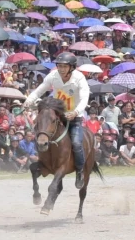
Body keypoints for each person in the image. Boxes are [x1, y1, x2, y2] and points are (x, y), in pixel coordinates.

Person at [23, 52, 91, 188]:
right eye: (59, 66)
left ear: (72, 67)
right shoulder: (53, 76)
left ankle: (79, 171)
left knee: (77, 143)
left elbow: (84, 98)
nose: (61, 69)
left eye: (64, 66)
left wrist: (76, 112)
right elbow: (39, 91)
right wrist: (28, 101)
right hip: (58, 114)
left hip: (74, 116)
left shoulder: (79, 78)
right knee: (42, 133)